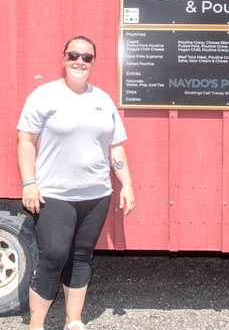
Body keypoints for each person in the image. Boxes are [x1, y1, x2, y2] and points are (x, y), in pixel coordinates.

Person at [17, 36, 135, 330]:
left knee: (81, 257)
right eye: (73, 55)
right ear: (63, 58)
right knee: (53, 257)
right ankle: (36, 325)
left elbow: (115, 146)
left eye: (87, 57)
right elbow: (25, 141)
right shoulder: (44, 96)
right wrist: (29, 183)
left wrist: (127, 184)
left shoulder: (102, 100)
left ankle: (74, 320)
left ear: (93, 62)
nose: (79, 62)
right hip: (54, 194)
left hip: (96, 194)